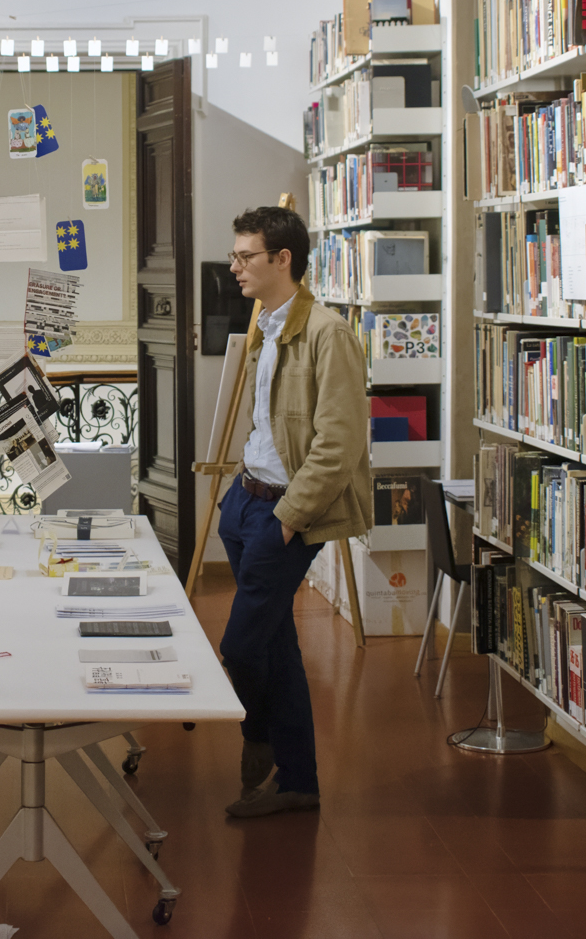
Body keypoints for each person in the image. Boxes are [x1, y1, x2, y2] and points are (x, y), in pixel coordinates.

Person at [217, 204, 369, 818]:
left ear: (283, 260)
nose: (234, 267)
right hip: (244, 503)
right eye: (235, 255)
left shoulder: (327, 333)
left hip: (285, 514)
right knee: (275, 645)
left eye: (245, 256)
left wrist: (288, 519)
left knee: (240, 647)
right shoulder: (268, 324)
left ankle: (259, 734)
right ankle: (299, 781)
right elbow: (266, 423)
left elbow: (338, 444)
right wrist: (238, 494)